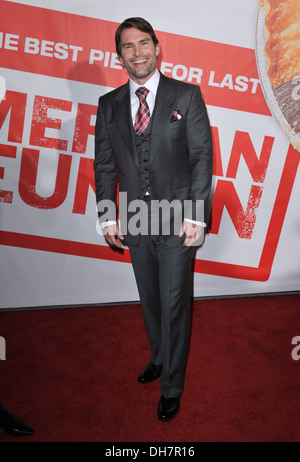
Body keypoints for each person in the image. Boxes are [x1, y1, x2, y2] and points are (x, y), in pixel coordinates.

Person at [94, 17, 213, 422]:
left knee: (175, 302)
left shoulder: (187, 95)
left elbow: (201, 159)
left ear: (157, 48)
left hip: (179, 219)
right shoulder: (108, 104)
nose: (138, 52)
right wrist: (107, 217)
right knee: (150, 299)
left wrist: (196, 216)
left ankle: (172, 386)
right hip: (136, 220)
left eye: (144, 43)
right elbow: (105, 165)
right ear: (119, 55)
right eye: (128, 46)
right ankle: (159, 357)